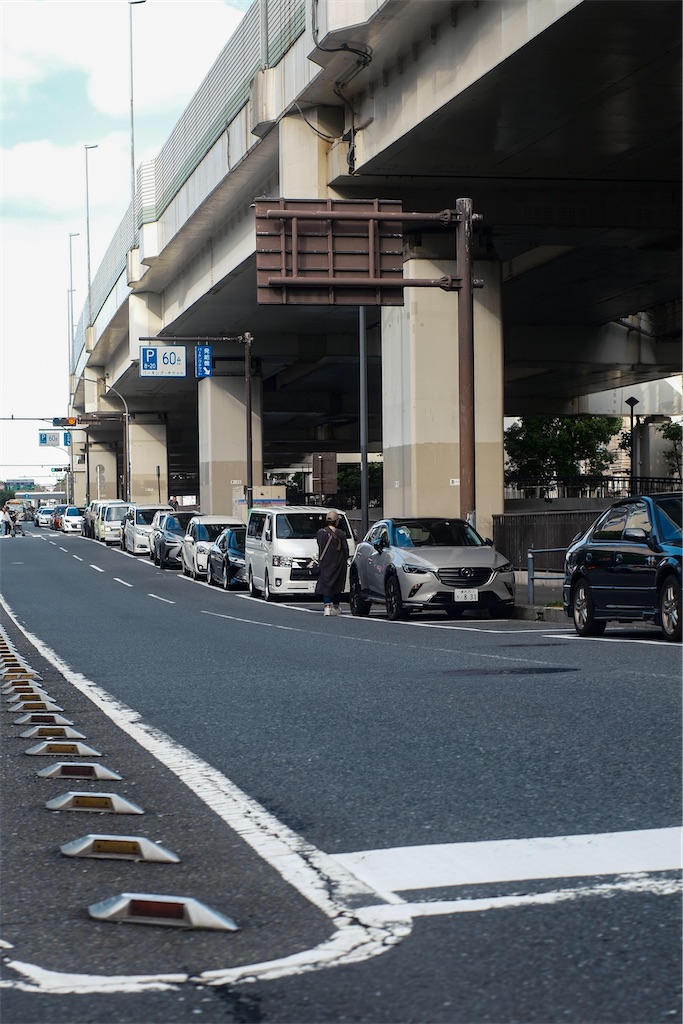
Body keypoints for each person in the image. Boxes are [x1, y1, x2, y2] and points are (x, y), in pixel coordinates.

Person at [315, 510, 349, 616]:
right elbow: (345, 549)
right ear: (337, 521)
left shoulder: (320, 533)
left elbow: (320, 545)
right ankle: (336, 606)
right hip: (338, 563)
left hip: (325, 562)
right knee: (337, 584)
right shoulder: (341, 533)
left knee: (326, 583)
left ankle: (326, 606)